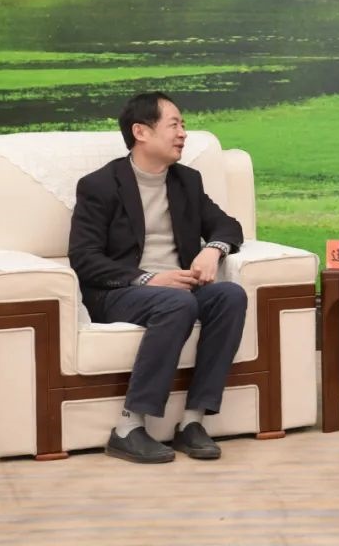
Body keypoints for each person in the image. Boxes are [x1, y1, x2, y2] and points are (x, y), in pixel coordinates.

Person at [69, 92, 247, 464]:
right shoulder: (100, 185)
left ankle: (193, 421)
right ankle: (128, 426)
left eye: (183, 125)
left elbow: (227, 226)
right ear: (141, 132)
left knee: (230, 296)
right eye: (174, 124)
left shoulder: (186, 182)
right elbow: (84, 259)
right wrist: (149, 278)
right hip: (119, 293)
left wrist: (213, 249)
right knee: (177, 302)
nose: (183, 133)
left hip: (178, 290)